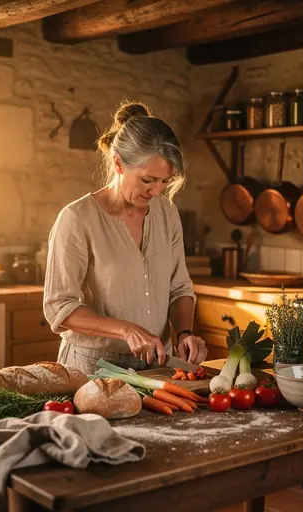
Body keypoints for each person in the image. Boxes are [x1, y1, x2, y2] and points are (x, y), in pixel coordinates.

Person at [43, 101, 208, 375]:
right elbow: (60, 306)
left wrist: (184, 334)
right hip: (91, 370)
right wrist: (127, 330)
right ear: (119, 163)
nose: (156, 192)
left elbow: (179, 289)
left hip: (157, 369)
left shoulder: (167, 214)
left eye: (165, 182)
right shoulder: (77, 218)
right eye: (147, 180)